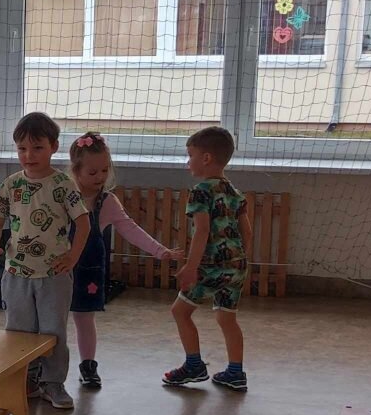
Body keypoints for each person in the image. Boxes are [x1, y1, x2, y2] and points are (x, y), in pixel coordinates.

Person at [0, 112, 90, 409]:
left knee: (52, 331)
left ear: (53, 147)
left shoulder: (63, 185)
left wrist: (72, 257)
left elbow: (83, 224)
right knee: (19, 331)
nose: (29, 156)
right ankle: (27, 380)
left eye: (37, 148)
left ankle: (53, 383)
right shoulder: (11, 184)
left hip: (53, 275)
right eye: (22, 149)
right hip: (16, 273)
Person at [68, 133, 184, 388]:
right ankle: (45, 369)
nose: (100, 177)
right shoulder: (61, 196)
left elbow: (130, 229)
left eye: (105, 170)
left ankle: (88, 365)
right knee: (51, 320)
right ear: (75, 171)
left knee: (84, 319)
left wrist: (159, 251)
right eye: (92, 172)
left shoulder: (107, 202)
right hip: (58, 269)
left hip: (87, 271)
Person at [163, 126, 252, 392]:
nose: (187, 161)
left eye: (190, 155)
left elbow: (202, 230)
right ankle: (235, 372)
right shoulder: (235, 192)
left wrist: (191, 267)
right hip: (237, 265)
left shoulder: (201, 191)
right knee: (227, 319)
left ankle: (194, 365)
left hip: (211, 266)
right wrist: (239, 261)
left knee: (180, 311)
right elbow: (247, 232)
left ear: (206, 158)